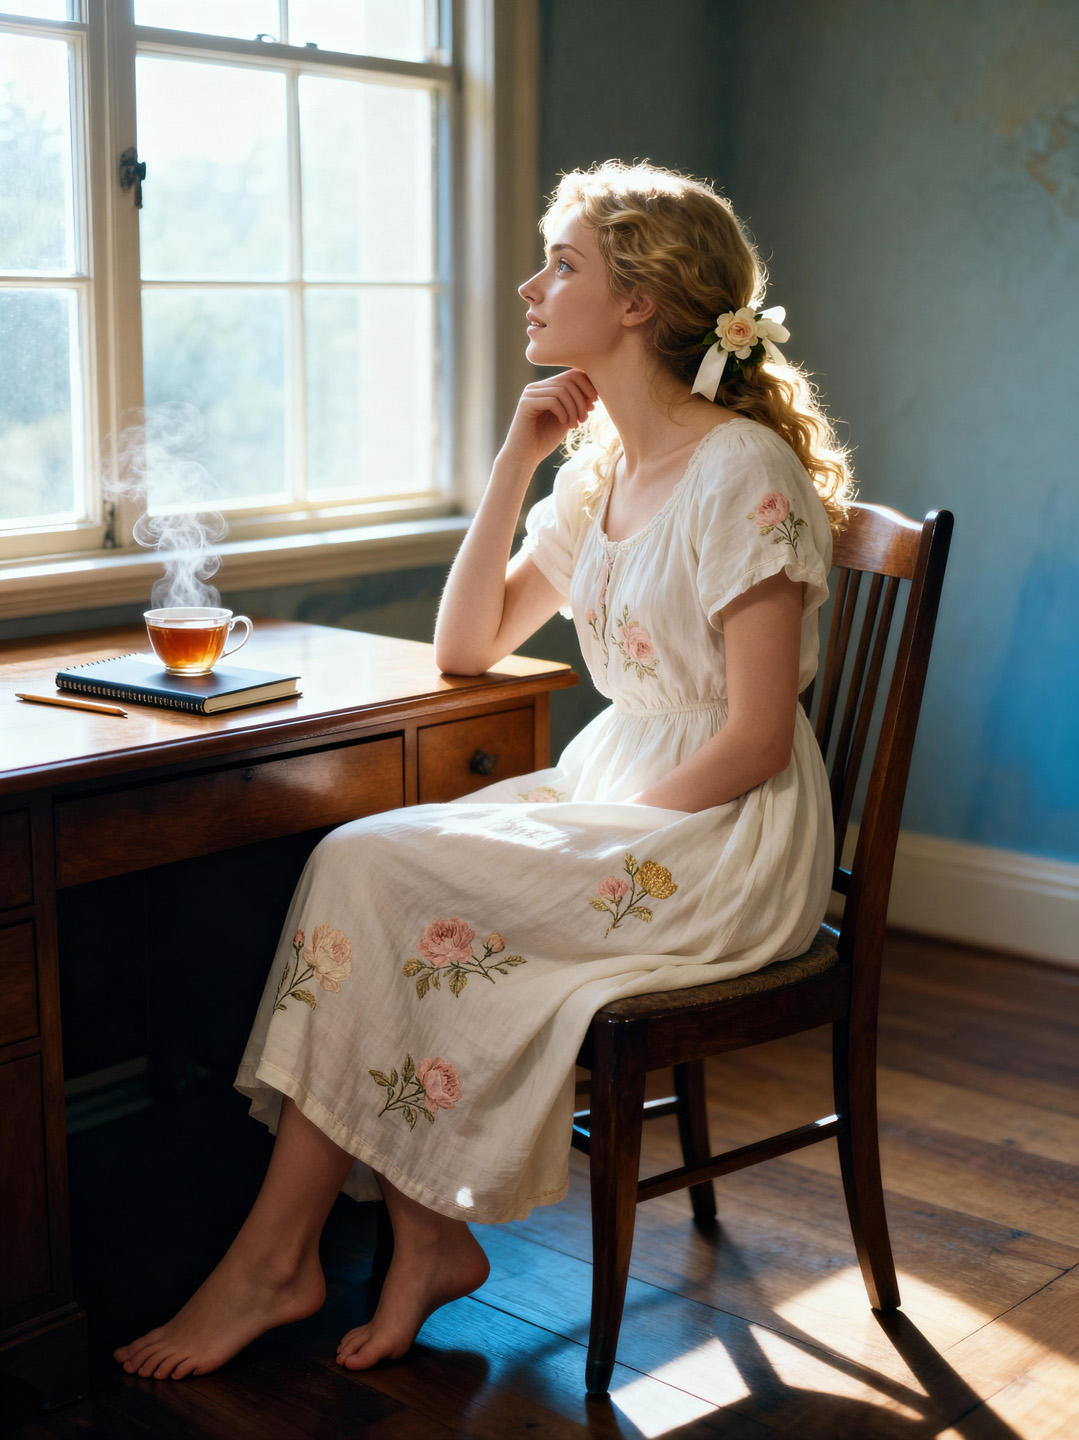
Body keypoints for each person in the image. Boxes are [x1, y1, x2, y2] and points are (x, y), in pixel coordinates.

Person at [115, 160, 852, 1382]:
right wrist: (518, 457)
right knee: (372, 868)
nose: (530, 284)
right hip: (623, 790)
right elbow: (468, 644)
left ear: (637, 303)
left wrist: (594, 829)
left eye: (560, 263)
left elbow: (757, 740)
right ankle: (408, 1238)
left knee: (378, 865)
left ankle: (288, 1259)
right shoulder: (603, 469)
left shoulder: (740, 474)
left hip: (722, 824)